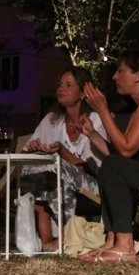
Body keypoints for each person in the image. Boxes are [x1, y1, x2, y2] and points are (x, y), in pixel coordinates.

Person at [79, 49, 139, 263]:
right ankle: (112, 240)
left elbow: (126, 150)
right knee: (109, 164)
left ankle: (125, 245)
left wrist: (103, 110)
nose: (114, 76)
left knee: (112, 164)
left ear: (138, 76)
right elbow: (121, 155)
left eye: (120, 71)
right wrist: (93, 135)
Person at [20, 66, 108, 249]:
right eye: (60, 84)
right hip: (58, 179)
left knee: (56, 169)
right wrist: (36, 150)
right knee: (31, 169)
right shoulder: (52, 120)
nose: (61, 88)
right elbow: (26, 152)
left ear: (82, 92)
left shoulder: (95, 120)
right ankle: (46, 240)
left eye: (68, 85)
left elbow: (88, 166)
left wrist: (60, 151)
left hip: (93, 186)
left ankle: (65, 237)